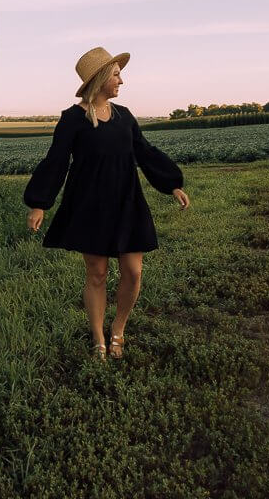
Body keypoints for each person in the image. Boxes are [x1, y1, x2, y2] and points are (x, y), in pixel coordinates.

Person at [23, 45, 190, 362]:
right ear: (100, 79)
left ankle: (119, 328)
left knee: (133, 271)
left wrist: (172, 184)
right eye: (116, 74)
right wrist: (39, 203)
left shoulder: (125, 116)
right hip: (90, 204)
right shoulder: (72, 120)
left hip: (127, 202)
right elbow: (56, 161)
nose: (121, 81)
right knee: (97, 273)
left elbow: (145, 152)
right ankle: (99, 337)